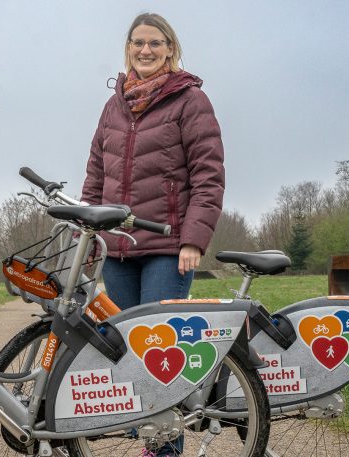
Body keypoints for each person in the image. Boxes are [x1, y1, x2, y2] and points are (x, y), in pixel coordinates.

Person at [81, 13, 225, 456]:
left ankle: (165, 449)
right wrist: (88, 230)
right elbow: (95, 176)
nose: (146, 50)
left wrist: (193, 238)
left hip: (167, 247)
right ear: (128, 48)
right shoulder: (113, 106)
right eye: (138, 43)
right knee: (128, 351)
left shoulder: (190, 100)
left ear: (170, 49)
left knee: (161, 350)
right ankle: (146, 435)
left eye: (155, 43)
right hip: (117, 250)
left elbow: (208, 174)